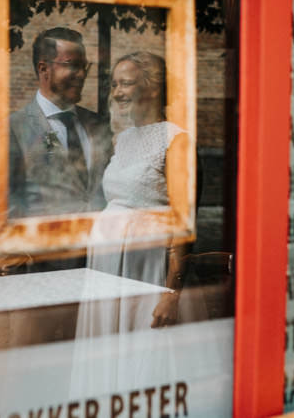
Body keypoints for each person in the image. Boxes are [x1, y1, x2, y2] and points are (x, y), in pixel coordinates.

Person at [71, 51, 197, 394]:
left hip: (144, 264)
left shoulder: (176, 140)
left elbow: (184, 222)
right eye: (114, 84)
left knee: (140, 352)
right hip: (107, 265)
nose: (116, 92)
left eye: (125, 83)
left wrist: (172, 292)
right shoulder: (123, 139)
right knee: (106, 353)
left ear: (153, 88)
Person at [8, 27, 112, 218]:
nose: (81, 75)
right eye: (72, 65)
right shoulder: (13, 129)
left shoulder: (98, 125)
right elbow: (8, 209)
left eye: (84, 67)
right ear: (44, 69)